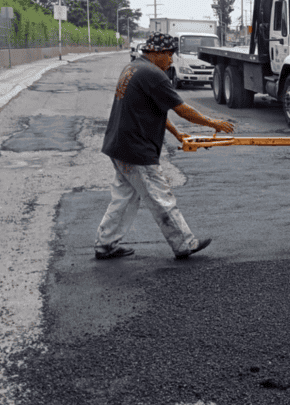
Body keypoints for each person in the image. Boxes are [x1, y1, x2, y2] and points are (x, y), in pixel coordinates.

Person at [95, 32, 234, 260]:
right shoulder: (153, 75)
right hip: (136, 149)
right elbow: (181, 108)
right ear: (157, 53)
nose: (171, 60)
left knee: (124, 198)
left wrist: (177, 134)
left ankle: (105, 244)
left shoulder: (133, 68)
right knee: (160, 196)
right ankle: (184, 243)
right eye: (169, 55)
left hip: (118, 145)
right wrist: (212, 122)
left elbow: (155, 109)